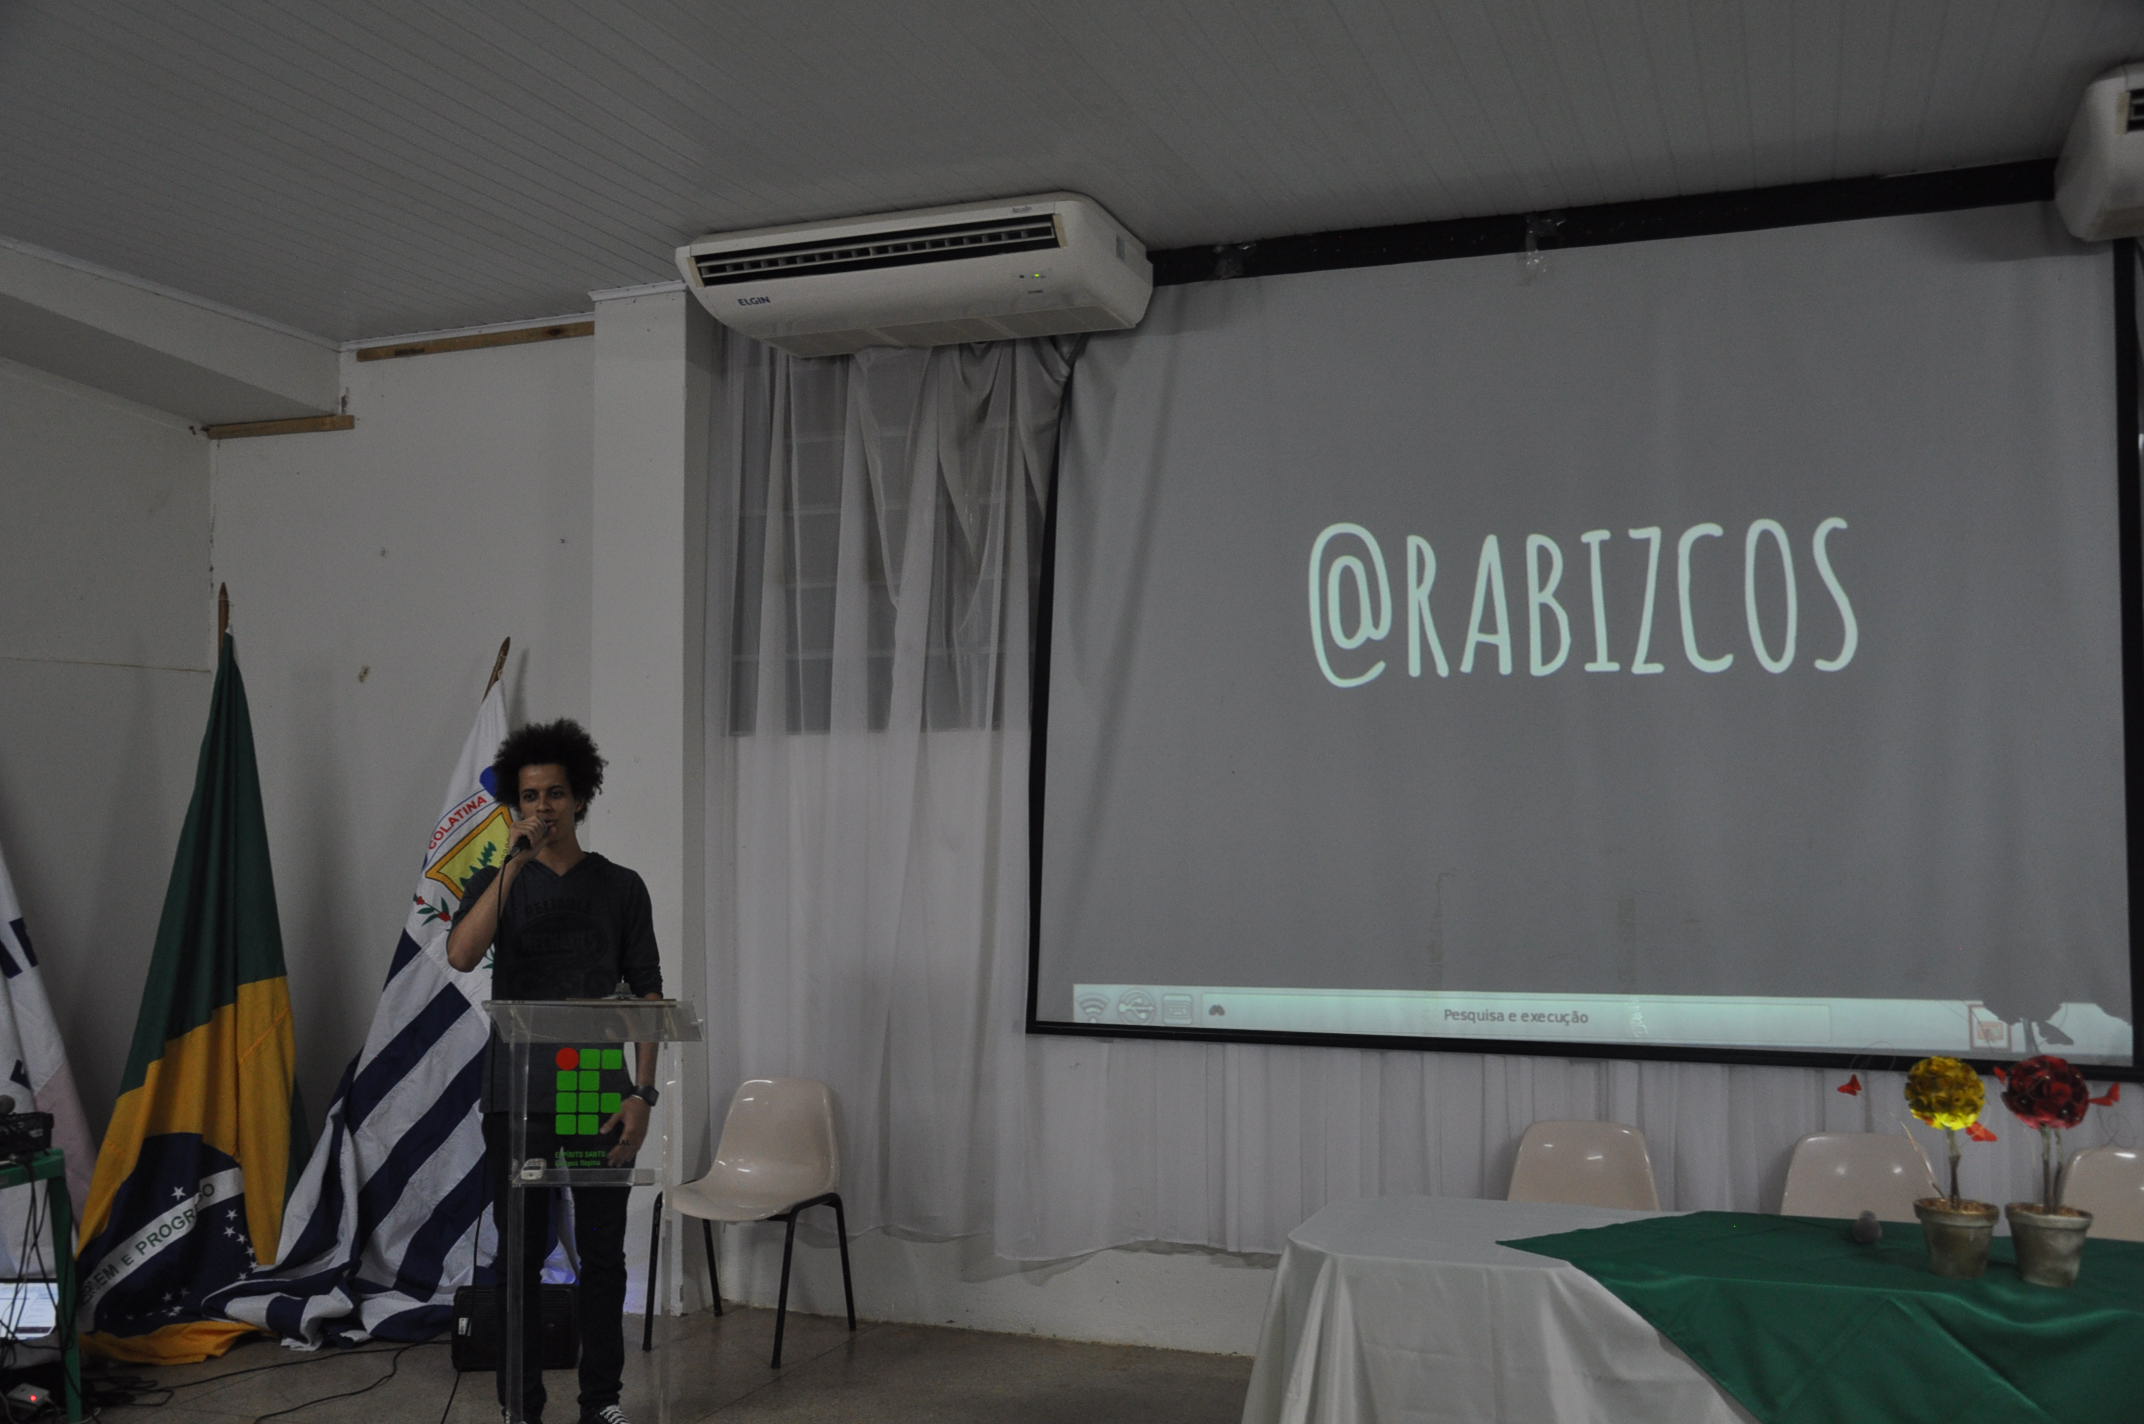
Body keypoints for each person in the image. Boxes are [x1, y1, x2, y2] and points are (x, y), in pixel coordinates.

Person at [448, 718, 663, 1424]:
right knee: (519, 1257)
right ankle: (522, 1406)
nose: (544, 807)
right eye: (530, 796)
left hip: (594, 1091)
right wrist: (511, 867)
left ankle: (601, 1402)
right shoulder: (499, 880)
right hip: (518, 1096)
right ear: (516, 806)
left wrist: (642, 1093)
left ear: (580, 798)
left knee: (602, 1255)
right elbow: (460, 954)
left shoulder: (621, 886)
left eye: (556, 794)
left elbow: (648, 997)